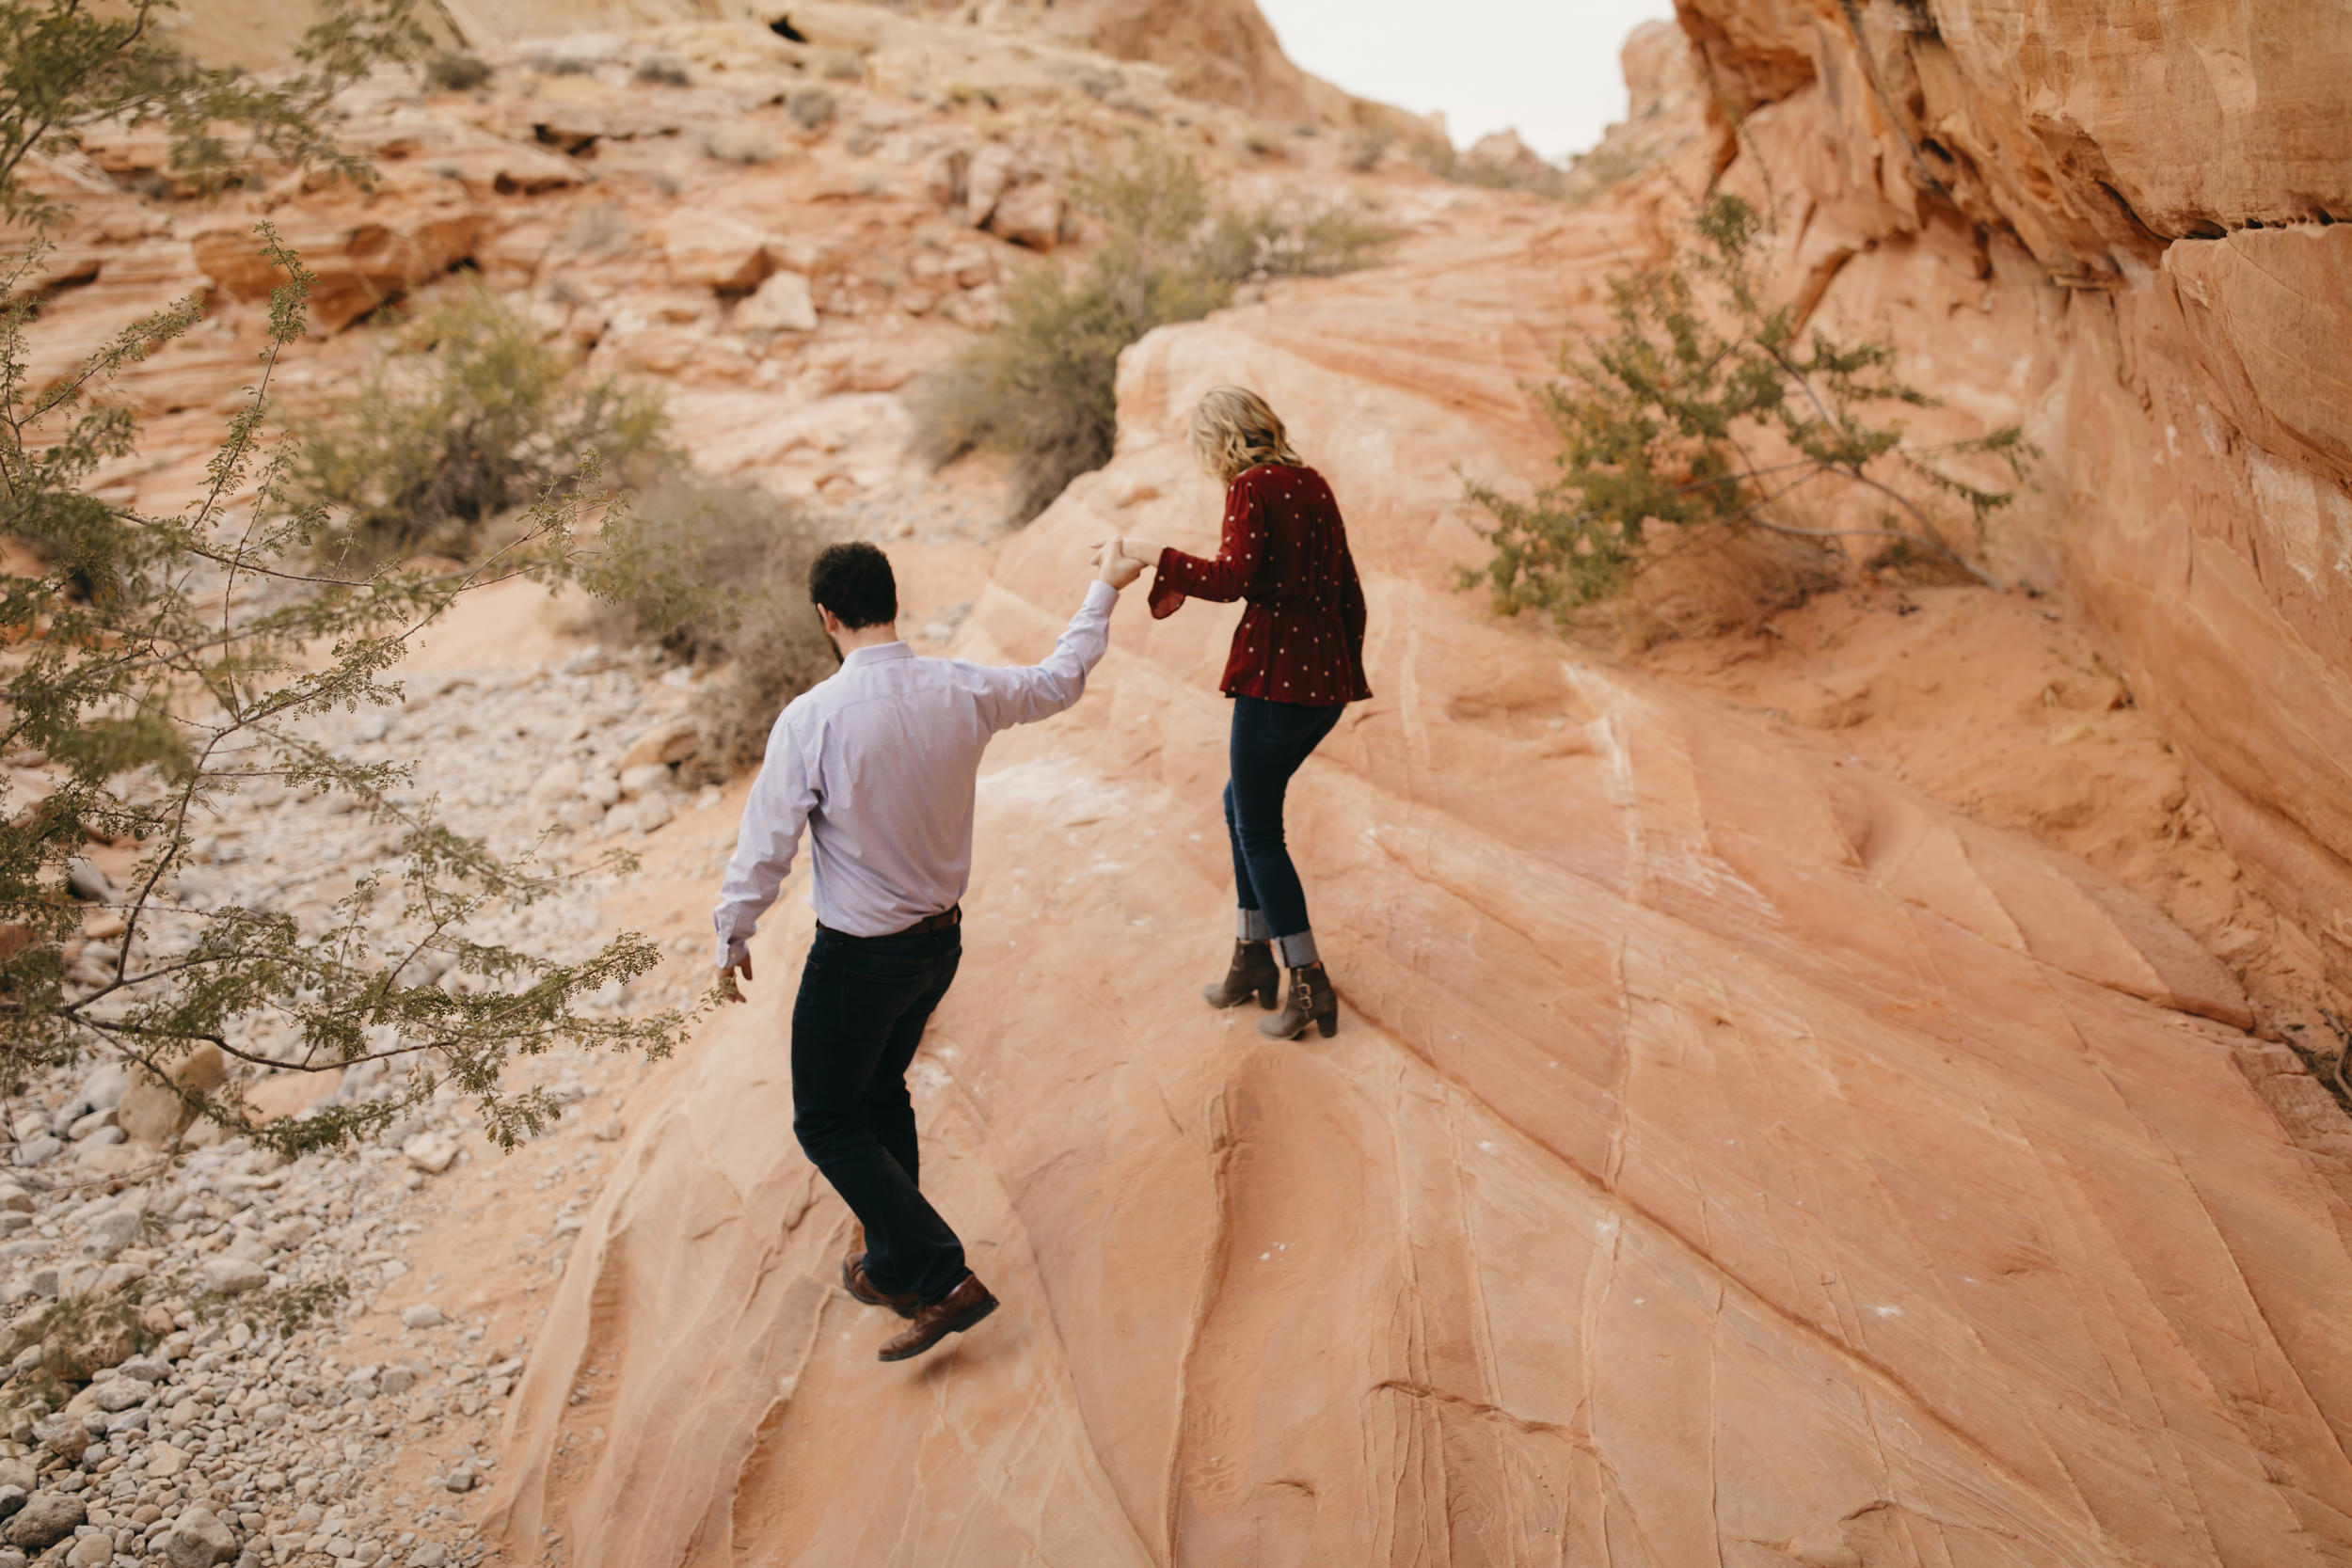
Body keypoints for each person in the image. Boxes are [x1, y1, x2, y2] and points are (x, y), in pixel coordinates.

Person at [713, 537, 1145, 1362]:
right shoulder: (960, 686)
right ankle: (890, 1261)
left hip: (858, 958)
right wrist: (1103, 587)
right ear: (892, 602)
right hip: (937, 948)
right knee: (879, 1092)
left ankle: (943, 1278)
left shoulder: (813, 718)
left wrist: (734, 931)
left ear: (826, 616)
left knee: (826, 1119)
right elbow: (1059, 680)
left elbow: (766, 842)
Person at [1110, 386, 1371, 1041]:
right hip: (1324, 681)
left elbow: (1232, 580)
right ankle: (1253, 959)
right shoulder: (1312, 482)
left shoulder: (1252, 487)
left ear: (1220, 438)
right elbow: (1350, 589)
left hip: (1277, 676)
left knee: (1257, 829)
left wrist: (1149, 553)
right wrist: (1346, 667)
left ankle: (1307, 979)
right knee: (1239, 807)